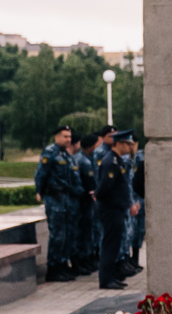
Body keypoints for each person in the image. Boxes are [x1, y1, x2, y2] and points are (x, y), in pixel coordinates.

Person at [34, 126, 87, 280]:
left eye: (69, 137)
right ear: (57, 137)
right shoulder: (50, 152)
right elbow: (41, 174)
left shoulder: (66, 154)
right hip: (55, 199)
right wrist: (40, 192)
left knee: (66, 234)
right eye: (65, 136)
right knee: (58, 235)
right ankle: (54, 268)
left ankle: (63, 265)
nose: (68, 140)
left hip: (66, 199)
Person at [89, 123, 133, 288]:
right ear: (119, 144)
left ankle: (111, 277)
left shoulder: (117, 161)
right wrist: (98, 197)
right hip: (110, 209)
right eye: (127, 144)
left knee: (114, 245)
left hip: (117, 208)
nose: (130, 147)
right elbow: (105, 186)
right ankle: (106, 280)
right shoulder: (111, 162)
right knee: (109, 244)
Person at [117, 130, 146, 272]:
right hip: (129, 200)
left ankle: (135, 258)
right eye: (129, 144)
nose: (132, 147)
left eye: (134, 144)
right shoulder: (124, 160)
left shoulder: (142, 157)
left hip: (140, 199)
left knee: (139, 230)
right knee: (128, 231)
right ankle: (126, 259)